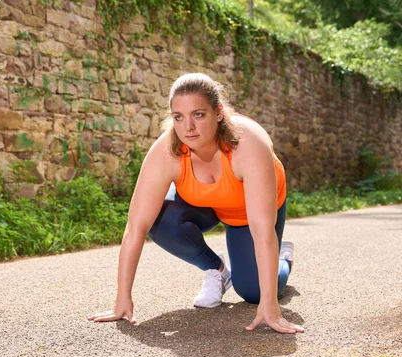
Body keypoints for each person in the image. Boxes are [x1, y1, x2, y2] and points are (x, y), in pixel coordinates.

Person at [88, 73, 304, 334]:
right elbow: (136, 227)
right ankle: (217, 268)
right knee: (158, 218)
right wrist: (122, 298)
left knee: (253, 291)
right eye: (179, 117)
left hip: (250, 212)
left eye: (198, 115)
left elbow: (261, 230)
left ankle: (283, 257)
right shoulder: (167, 152)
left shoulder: (247, 144)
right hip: (208, 204)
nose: (188, 126)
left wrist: (269, 306)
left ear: (219, 113)